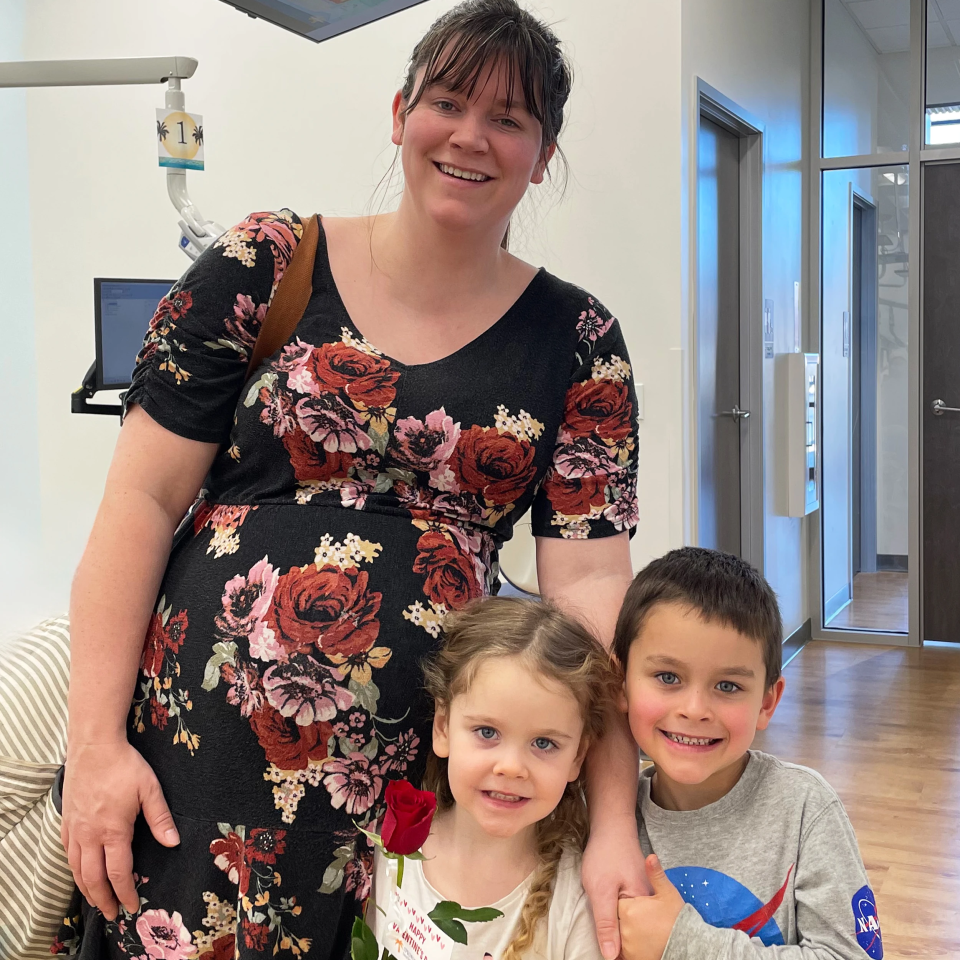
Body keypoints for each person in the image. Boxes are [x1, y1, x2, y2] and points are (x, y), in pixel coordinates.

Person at [57, 2, 646, 956]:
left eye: (508, 119)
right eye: (447, 102)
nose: (470, 136)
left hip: (427, 787)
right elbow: (139, 502)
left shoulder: (578, 340)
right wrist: (92, 746)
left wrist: (614, 816)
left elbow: (590, 593)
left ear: (543, 156)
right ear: (401, 112)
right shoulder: (266, 263)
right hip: (198, 759)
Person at [613, 548, 884, 960]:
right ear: (620, 682)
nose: (695, 710)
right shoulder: (606, 815)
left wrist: (683, 944)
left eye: (727, 686)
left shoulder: (804, 808)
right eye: (668, 677)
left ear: (767, 702)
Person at [369, 596, 618, 960]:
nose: (511, 767)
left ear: (578, 756)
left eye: (544, 743)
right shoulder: (388, 854)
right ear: (443, 727)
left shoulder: (579, 895)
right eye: (487, 732)